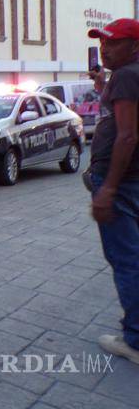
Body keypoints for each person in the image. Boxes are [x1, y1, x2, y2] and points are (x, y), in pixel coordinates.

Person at [86, 18, 139, 365]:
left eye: (113, 42)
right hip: (132, 179)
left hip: (121, 182)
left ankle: (134, 339)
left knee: (126, 259)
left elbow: (127, 136)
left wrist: (108, 188)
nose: (105, 47)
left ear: (134, 46)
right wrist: (102, 83)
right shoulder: (126, 76)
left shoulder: (127, 76)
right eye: (102, 42)